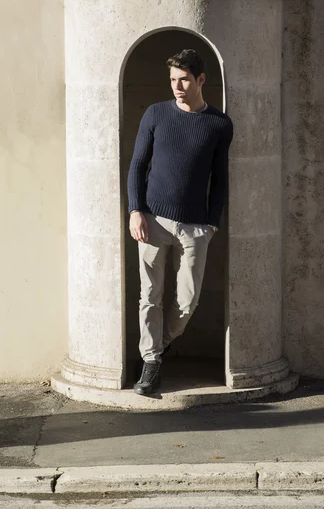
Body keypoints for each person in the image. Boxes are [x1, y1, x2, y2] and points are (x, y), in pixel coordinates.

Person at [127, 49, 233, 396]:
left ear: (201, 79)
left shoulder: (218, 124)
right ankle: (152, 362)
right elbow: (137, 166)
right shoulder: (155, 114)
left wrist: (211, 223)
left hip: (194, 227)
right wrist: (135, 210)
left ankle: (162, 341)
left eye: (184, 79)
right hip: (153, 221)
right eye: (173, 80)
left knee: (187, 301)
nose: (178, 86)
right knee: (150, 297)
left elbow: (220, 178)